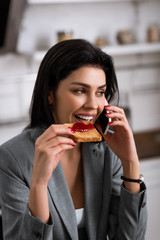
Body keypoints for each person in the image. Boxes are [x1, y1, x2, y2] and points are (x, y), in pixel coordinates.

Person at [0, 39, 147, 240]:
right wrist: (39, 184)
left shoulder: (107, 150)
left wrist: (130, 163)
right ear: (50, 93)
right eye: (80, 90)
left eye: (100, 92)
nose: (93, 105)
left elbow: (130, 236)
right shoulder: (12, 158)